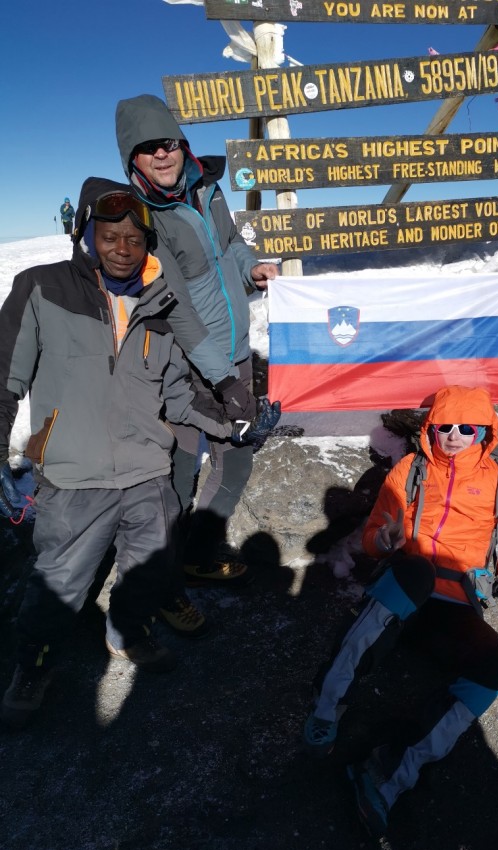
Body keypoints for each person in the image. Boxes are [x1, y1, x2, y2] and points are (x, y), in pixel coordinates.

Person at [0, 178, 250, 728]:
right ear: (86, 234)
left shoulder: (160, 307)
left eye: (134, 240)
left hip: (147, 475)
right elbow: (6, 375)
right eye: (110, 235)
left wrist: (232, 425)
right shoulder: (42, 289)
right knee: (59, 582)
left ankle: (126, 632)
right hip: (73, 477)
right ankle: (33, 665)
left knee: (146, 569)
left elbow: (180, 397)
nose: (122, 248)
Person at [301, 385, 498, 836]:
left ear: (484, 433)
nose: (453, 436)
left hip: (456, 608)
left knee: (493, 668)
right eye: (443, 427)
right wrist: (383, 541)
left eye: (465, 428)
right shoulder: (410, 470)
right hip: (403, 590)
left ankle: (390, 774)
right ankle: (327, 705)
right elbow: (376, 532)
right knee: (415, 570)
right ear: (431, 428)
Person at [115, 93, 280, 639]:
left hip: (233, 350)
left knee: (236, 460)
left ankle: (198, 552)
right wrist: (224, 376)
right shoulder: (145, 219)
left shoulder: (207, 188)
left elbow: (229, 244)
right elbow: (176, 306)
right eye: (147, 149)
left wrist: (250, 267)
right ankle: (161, 576)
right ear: (131, 159)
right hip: (184, 367)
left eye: (168, 142)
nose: (162, 155)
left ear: (182, 143)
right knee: (179, 476)